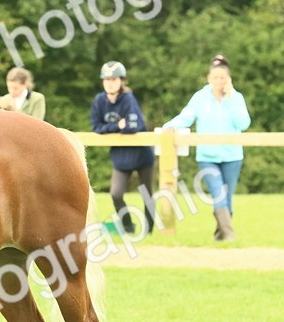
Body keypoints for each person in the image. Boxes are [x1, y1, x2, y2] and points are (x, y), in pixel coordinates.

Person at [160, 54, 251, 241]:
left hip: (232, 156)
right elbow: (186, 117)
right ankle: (229, 235)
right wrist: (169, 126)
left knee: (228, 197)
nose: (219, 81)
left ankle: (220, 235)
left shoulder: (236, 98)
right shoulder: (200, 97)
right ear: (209, 79)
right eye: (215, 78)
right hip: (207, 156)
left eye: (222, 78)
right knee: (218, 194)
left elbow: (243, 123)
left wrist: (231, 98)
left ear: (228, 80)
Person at [90, 61, 155, 234]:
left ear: (121, 81)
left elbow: (133, 126)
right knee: (116, 194)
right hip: (121, 156)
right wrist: (117, 126)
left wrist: (113, 128)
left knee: (146, 193)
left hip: (142, 154)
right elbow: (96, 128)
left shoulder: (128, 98)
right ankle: (128, 226)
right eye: (107, 79)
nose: (110, 82)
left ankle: (149, 230)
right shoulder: (99, 101)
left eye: (114, 79)